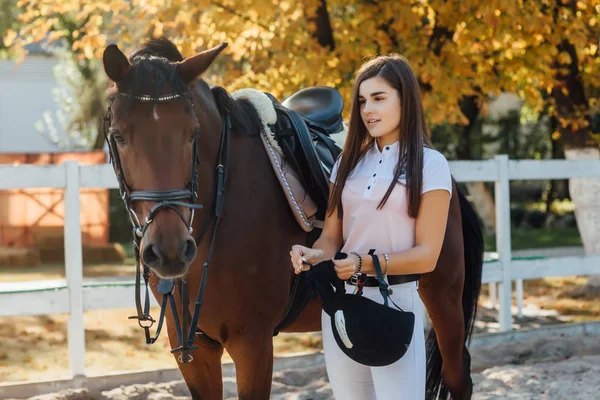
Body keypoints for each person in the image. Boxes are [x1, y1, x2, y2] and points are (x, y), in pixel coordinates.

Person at [289, 54, 453, 399]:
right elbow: (332, 236)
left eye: (379, 98)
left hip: (395, 304)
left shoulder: (431, 165)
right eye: (362, 101)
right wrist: (313, 253)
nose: (368, 110)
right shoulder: (347, 162)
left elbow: (427, 256)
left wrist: (364, 263)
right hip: (342, 303)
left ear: (405, 101)